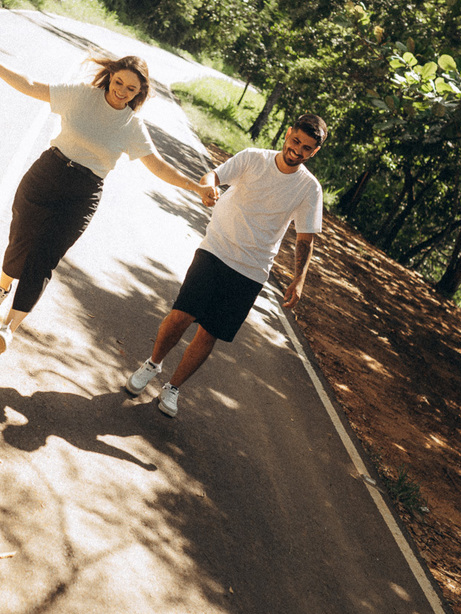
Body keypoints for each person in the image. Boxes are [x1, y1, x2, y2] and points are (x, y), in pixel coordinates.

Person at [0, 50, 219, 354]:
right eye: (119, 82)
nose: (122, 91)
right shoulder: (81, 95)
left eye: (131, 88)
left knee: (45, 257)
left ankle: (8, 329)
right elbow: (31, 85)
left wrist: (195, 187)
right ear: (111, 75)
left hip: (82, 194)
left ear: (140, 92)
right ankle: (3, 285)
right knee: (21, 239)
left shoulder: (132, 126)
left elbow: (158, 165)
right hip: (46, 174)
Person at [124, 114, 328, 417]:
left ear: (314, 152)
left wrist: (299, 279)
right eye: (296, 141)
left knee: (209, 333)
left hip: (252, 269)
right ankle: (152, 364)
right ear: (288, 133)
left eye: (307, 148)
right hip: (216, 248)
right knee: (181, 315)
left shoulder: (309, 188)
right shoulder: (253, 158)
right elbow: (213, 176)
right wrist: (208, 188)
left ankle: (173, 388)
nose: (297, 150)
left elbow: (305, 238)